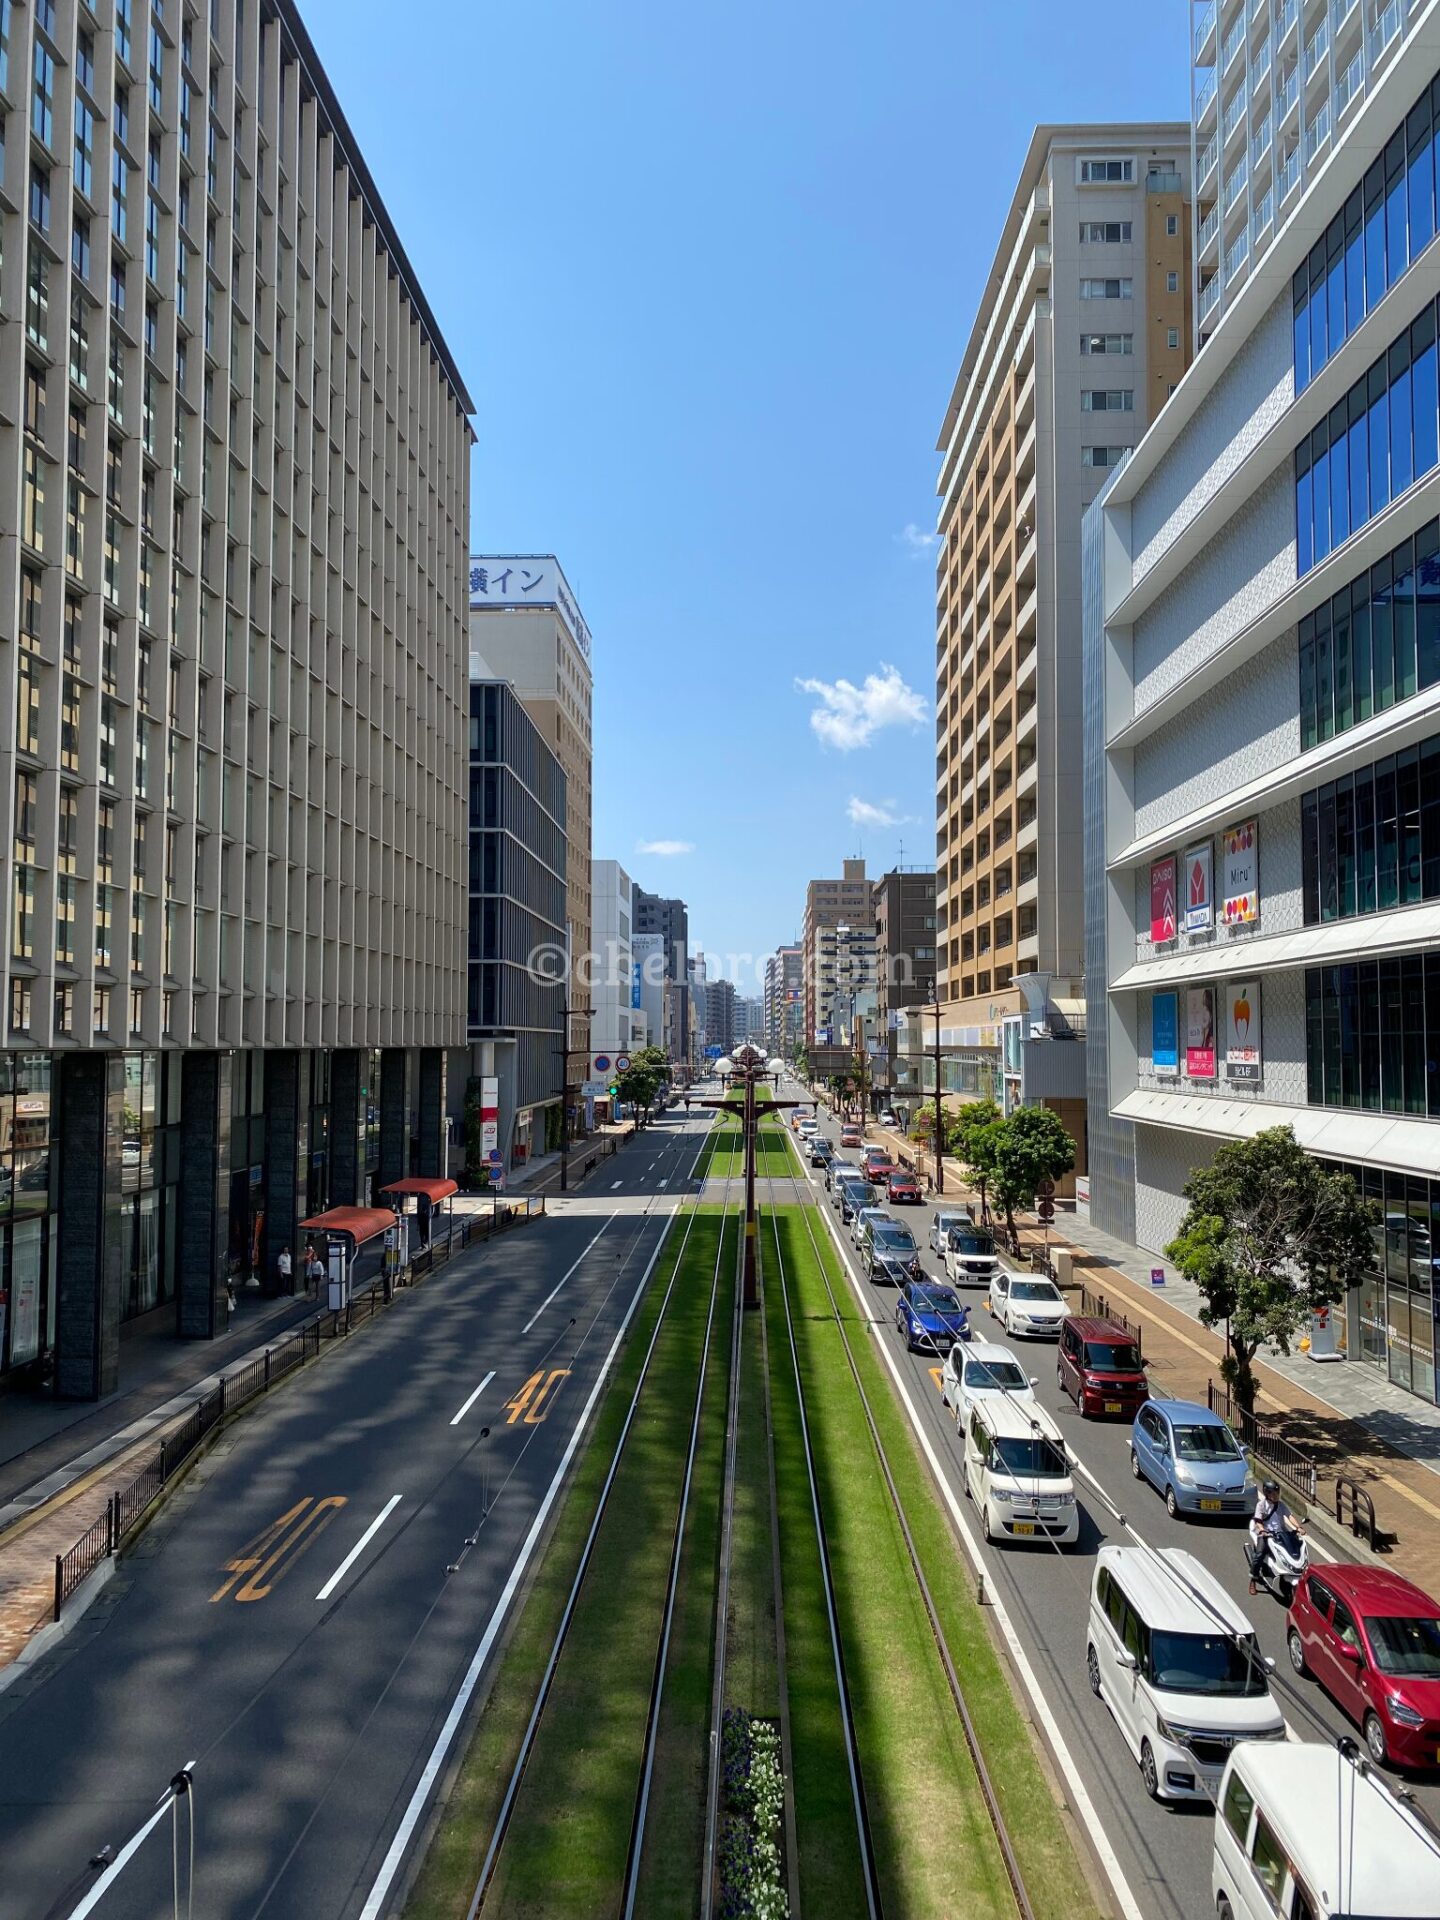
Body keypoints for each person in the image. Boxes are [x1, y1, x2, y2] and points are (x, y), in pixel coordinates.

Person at [1248, 1479, 1304, 1594]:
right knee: (1259, 1554)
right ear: (1267, 1493)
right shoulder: (1261, 1505)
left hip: (1281, 1534)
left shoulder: (1281, 1505)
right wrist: (1263, 1530)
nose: (1276, 1495)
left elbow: (1290, 1516)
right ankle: (1253, 1579)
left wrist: (1298, 1527)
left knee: (1294, 1549)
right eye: (1273, 1493)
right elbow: (1258, 1521)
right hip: (1266, 1534)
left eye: (1277, 1493)